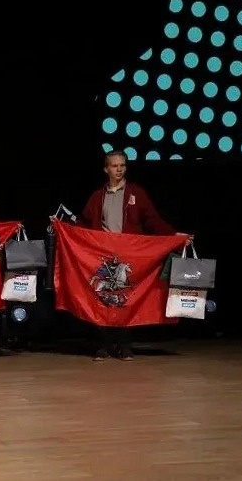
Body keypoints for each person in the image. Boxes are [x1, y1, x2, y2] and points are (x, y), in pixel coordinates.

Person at [79, 148, 179, 361]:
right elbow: (83, 224)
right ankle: (103, 346)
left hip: (130, 255)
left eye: (122, 165)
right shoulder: (97, 197)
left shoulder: (136, 193)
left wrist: (173, 235)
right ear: (106, 169)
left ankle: (124, 346)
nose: (119, 169)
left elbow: (152, 219)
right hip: (104, 255)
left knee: (126, 299)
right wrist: (62, 226)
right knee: (103, 299)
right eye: (114, 166)